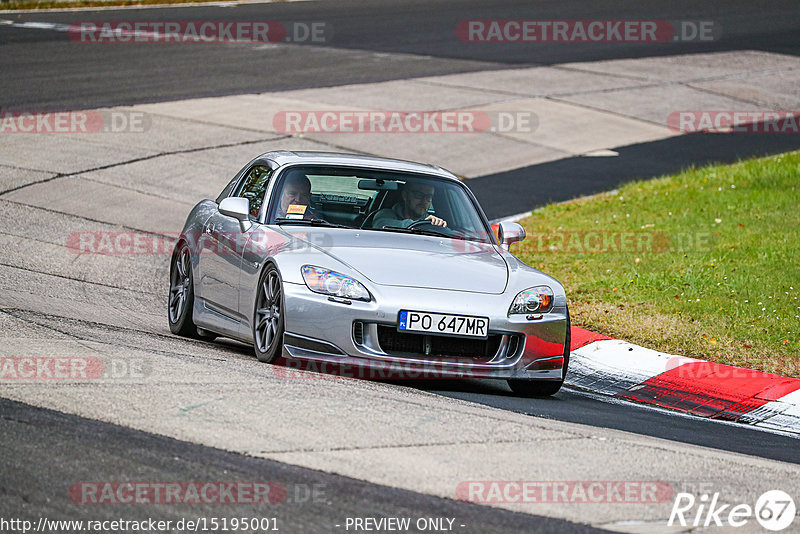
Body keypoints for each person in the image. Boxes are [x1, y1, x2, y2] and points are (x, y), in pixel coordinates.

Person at [371, 182, 447, 228]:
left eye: (428, 197)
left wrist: (441, 227)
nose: (424, 201)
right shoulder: (385, 214)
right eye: (419, 195)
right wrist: (424, 226)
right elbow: (381, 225)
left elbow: (453, 235)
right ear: (405, 196)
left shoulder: (432, 221)